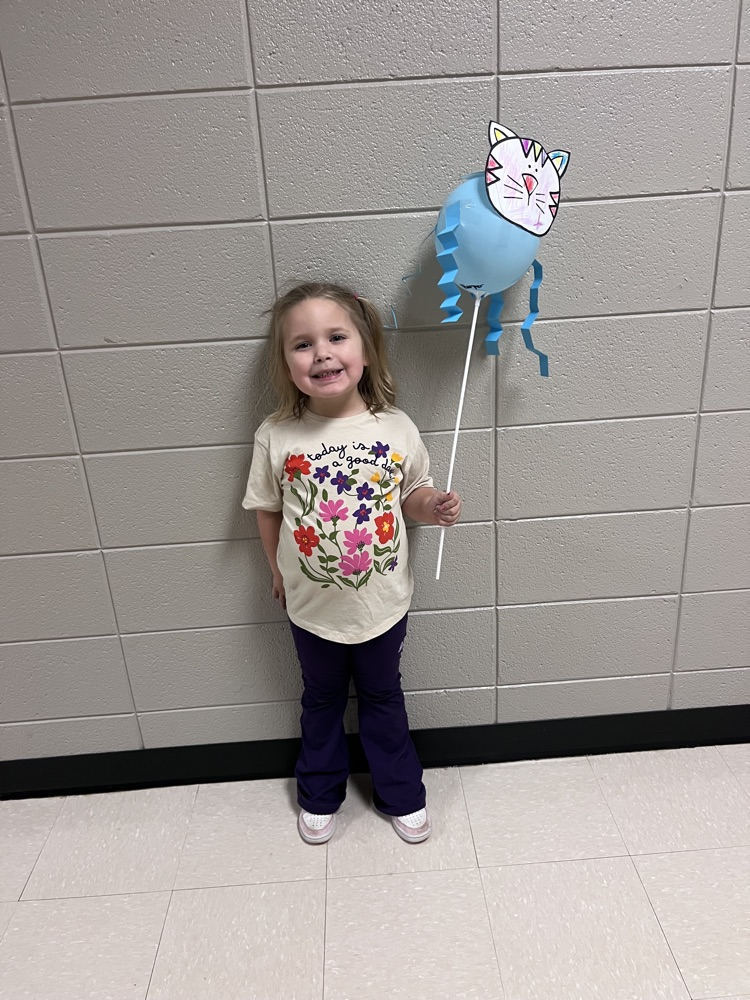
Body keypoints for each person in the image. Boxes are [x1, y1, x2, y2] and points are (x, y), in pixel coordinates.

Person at [242, 282, 462, 845]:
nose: (321, 353)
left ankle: (401, 792)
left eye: (336, 337)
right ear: (285, 362)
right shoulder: (278, 435)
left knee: (384, 696)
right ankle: (319, 792)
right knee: (320, 700)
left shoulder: (396, 428)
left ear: (365, 351)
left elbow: (411, 494)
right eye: (302, 344)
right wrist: (274, 570)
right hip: (309, 605)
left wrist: (431, 507)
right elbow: (268, 512)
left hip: (383, 603)